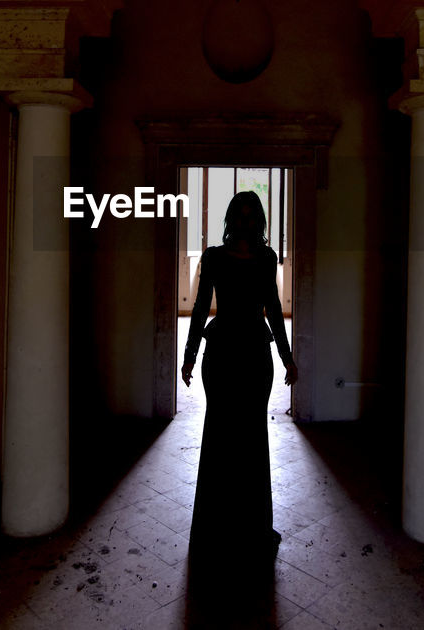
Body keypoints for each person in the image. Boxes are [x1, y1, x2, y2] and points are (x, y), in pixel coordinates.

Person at [181, 189, 296, 567]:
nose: (246, 222)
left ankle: (252, 528)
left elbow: (275, 310)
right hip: (222, 356)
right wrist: (189, 355)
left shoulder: (267, 258)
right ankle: (215, 530)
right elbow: (199, 308)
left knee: (251, 440)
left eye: (252, 216)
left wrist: (286, 357)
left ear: (259, 222)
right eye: (240, 216)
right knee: (219, 437)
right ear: (231, 219)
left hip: (255, 358)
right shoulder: (213, 258)